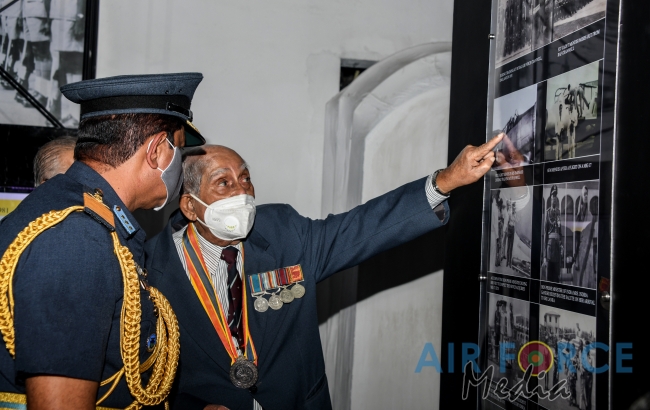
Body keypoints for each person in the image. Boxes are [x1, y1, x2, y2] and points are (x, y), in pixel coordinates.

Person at [145, 133, 504, 410]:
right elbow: (142, 377)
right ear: (190, 206)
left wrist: (446, 181)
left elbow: (360, 229)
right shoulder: (151, 269)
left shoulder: (284, 232)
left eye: (246, 178)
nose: (243, 193)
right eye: (224, 183)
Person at [0, 72, 206, 409]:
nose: (180, 166)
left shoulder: (87, 218)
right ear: (156, 151)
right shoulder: (76, 240)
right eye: (179, 151)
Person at [543, 185, 563, 282]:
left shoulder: (558, 213)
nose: (554, 199)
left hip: (557, 249)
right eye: (552, 197)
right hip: (550, 249)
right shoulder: (547, 213)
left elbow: (560, 231)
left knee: (557, 278)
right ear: (550, 199)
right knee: (549, 277)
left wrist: (561, 245)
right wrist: (544, 256)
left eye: (555, 197)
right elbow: (545, 234)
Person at [494, 190, 505, 267]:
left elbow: (502, 217)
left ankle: (498, 261)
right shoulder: (496, 207)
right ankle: (497, 261)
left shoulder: (500, 207)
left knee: (500, 244)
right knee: (497, 244)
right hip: (497, 226)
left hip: (500, 226)